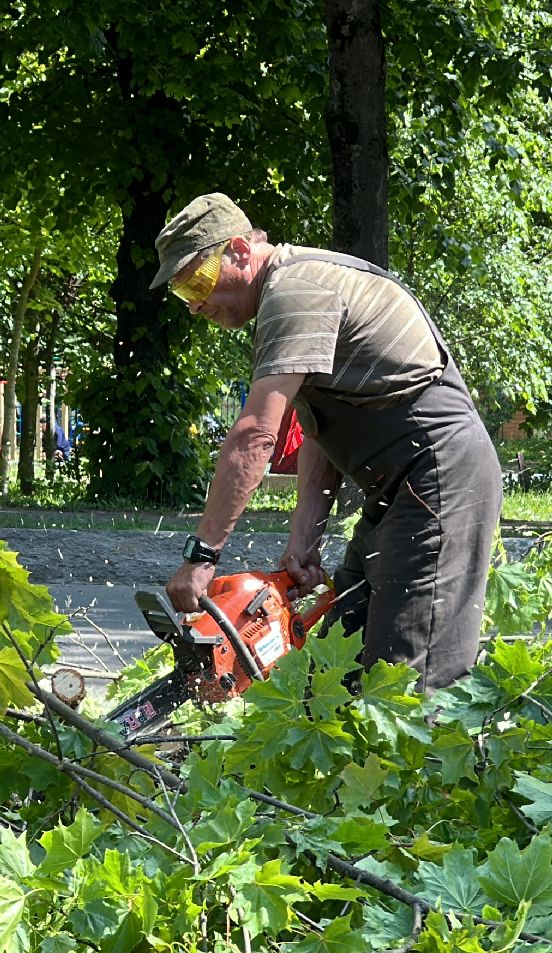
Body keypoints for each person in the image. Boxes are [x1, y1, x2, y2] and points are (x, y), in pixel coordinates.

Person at [154, 192, 502, 690]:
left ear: (237, 250)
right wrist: (304, 538)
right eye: (181, 293)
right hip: (400, 491)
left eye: (197, 280)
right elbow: (318, 426)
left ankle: (425, 766)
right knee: (333, 667)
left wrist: (202, 556)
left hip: (439, 476)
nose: (194, 304)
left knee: (405, 684)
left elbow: (255, 434)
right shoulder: (288, 291)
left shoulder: (295, 292)